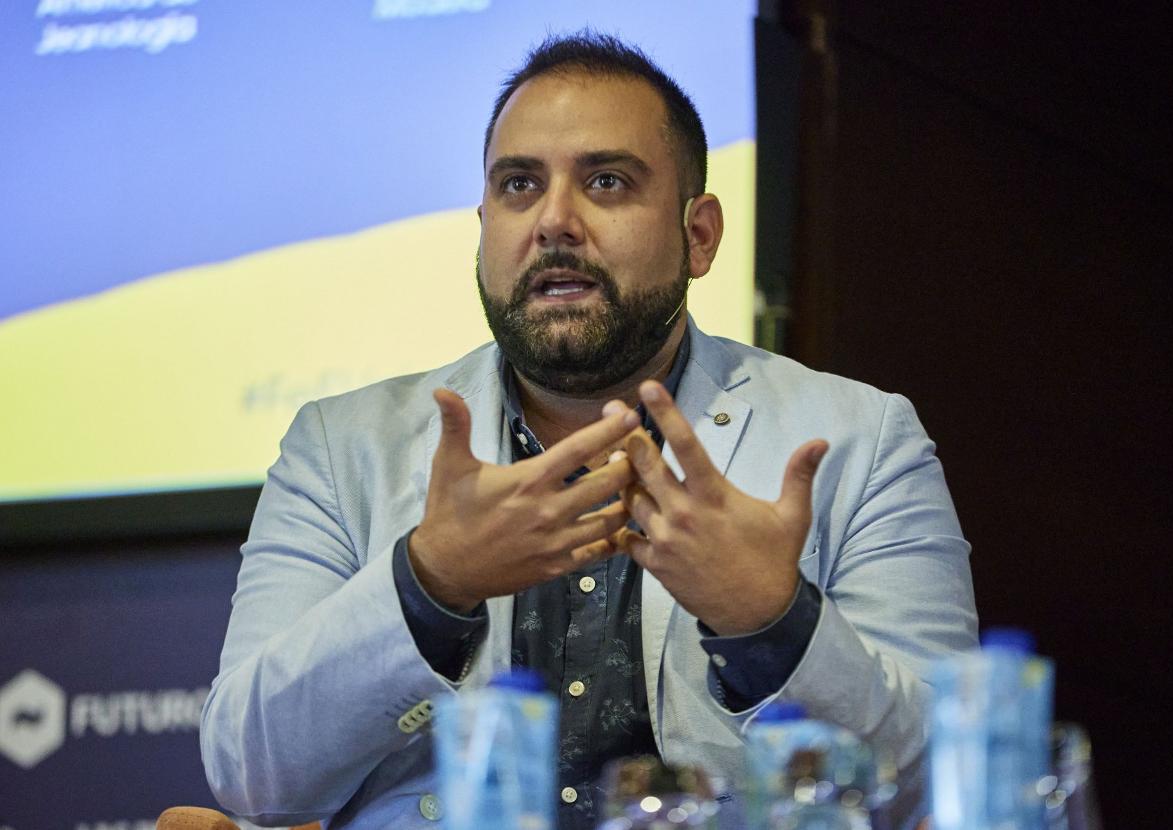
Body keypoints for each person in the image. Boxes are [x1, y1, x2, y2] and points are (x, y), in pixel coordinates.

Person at [200, 32, 977, 830]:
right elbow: (252, 774)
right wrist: (428, 585)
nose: (554, 221)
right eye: (518, 186)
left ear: (699, 235)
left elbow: (948, 781)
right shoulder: (341, 447)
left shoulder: (860, 438)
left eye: (606, 181)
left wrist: (773, 623)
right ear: (483, 228)